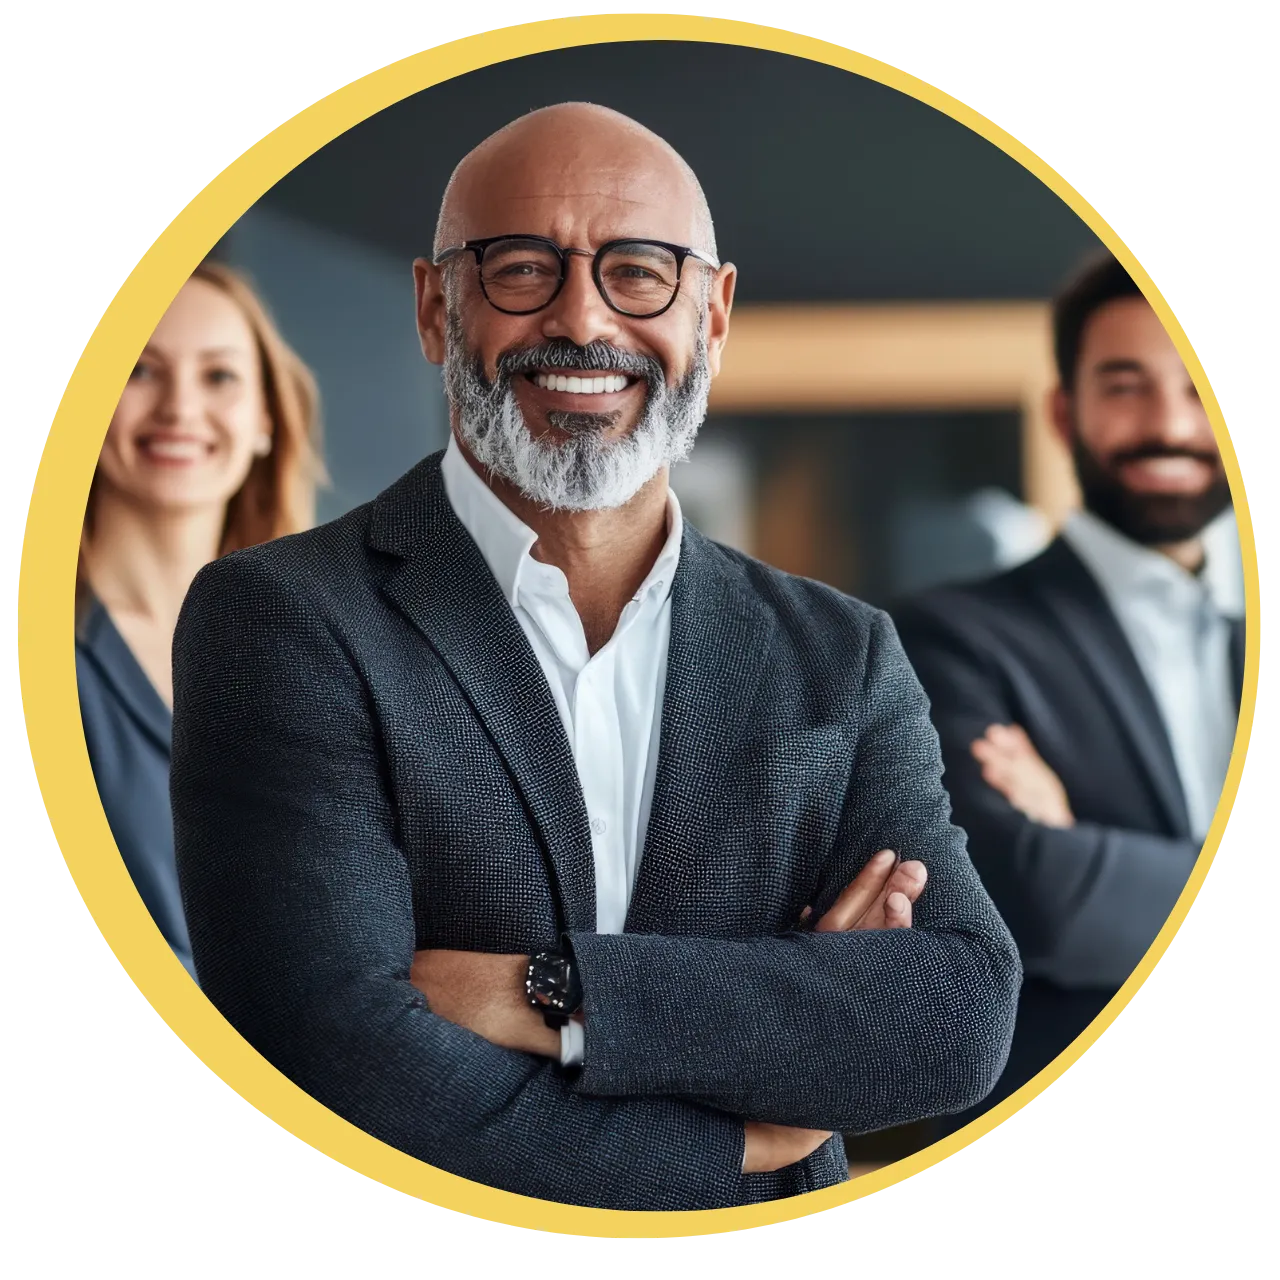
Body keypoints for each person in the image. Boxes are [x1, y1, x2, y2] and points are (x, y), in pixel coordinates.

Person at [169, 103, 1020, 1211]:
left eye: (639, 272)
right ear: (436, 308)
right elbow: (333, 1056)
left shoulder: (839, 655)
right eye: (520, 267)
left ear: (712, 313)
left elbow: (951, 1017)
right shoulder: (282, 620)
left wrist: (552, 992)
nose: (581, 318)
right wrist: (735, 1135)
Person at [892, 251, 1246, 1132]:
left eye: (1193, 387)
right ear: (1065, 412)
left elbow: (1089, 895)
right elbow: (1038, 903)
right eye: (1125, 386)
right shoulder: (945, 638)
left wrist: (1098, 851)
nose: (1169, 423)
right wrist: (1065, 864)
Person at [76, 262, 324, 981]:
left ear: (265, 421)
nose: (180, 409)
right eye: (141, 371)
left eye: (218, 377)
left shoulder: (319, 653)